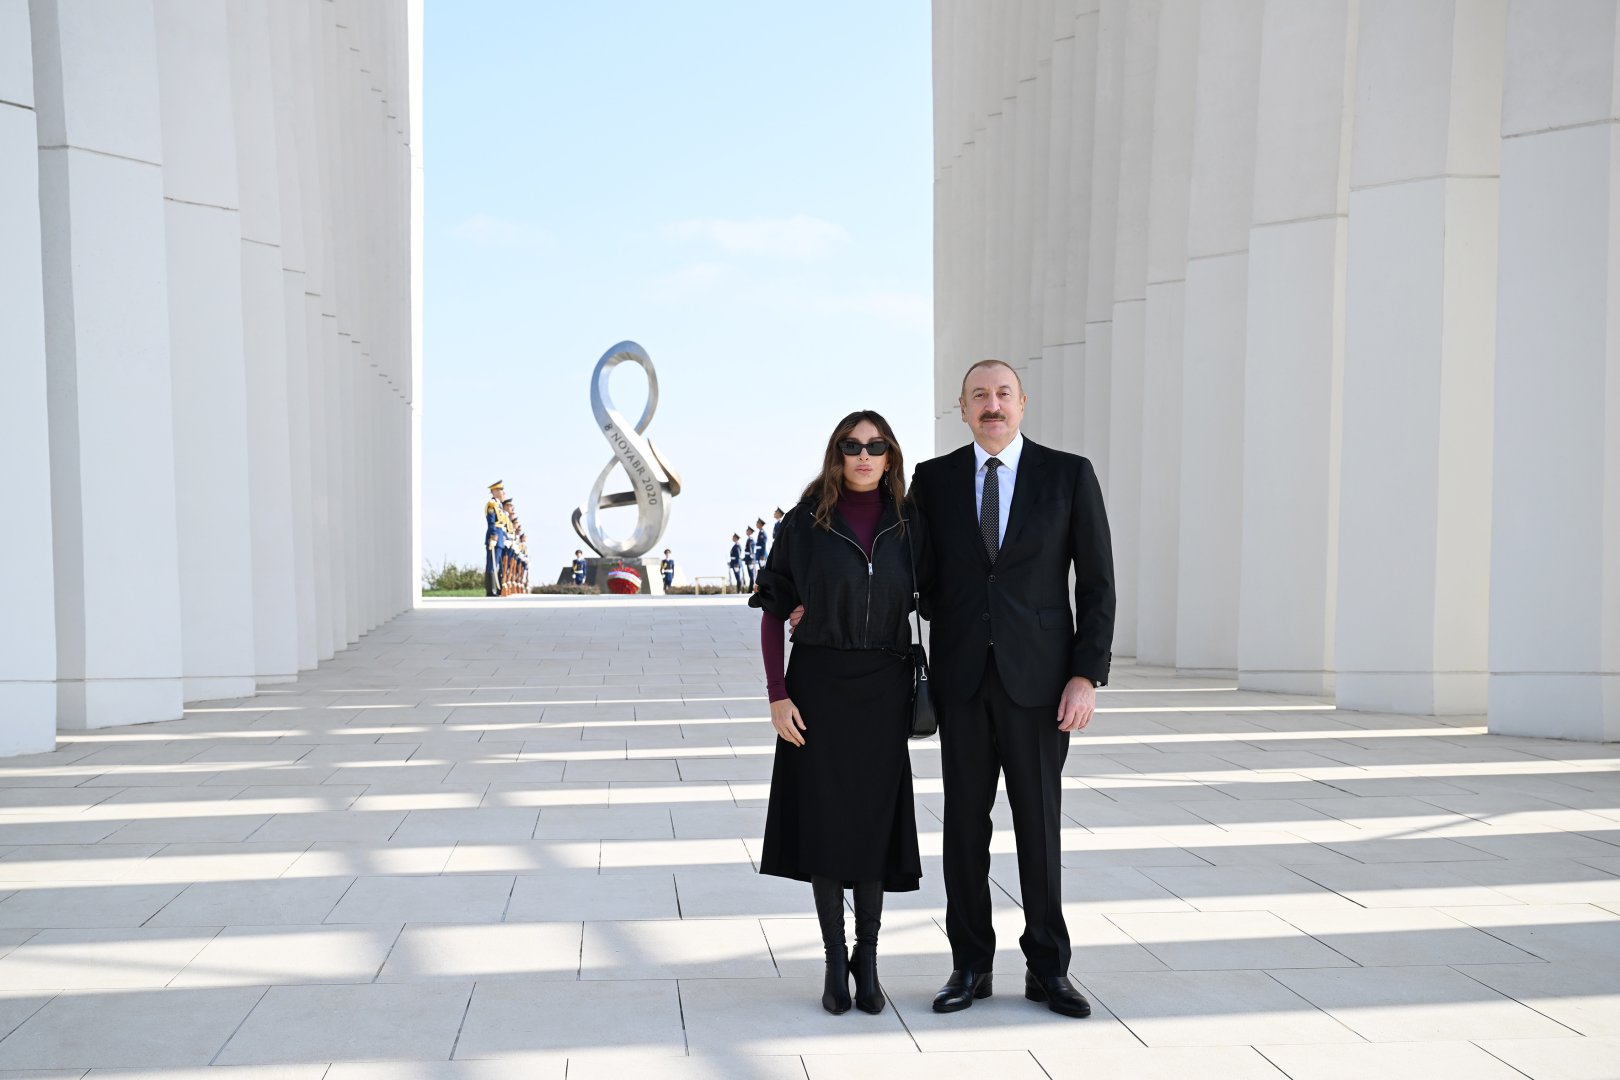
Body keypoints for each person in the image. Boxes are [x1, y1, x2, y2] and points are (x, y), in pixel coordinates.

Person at [910, 359, 1114, 1019]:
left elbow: (1099, 584)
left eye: (1003, 394)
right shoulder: (932, 480)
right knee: (963, 830)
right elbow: (907, 572)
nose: (992, 405)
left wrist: (1086, 673)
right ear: (962, 409)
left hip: (1042, 684)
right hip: (963, 682)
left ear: (1022, 403)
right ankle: (969, 965)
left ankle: (1048, 969)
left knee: (1039, 828)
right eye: (979, 396)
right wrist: (814, 601)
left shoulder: (1069, 474)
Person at [751, 410, 929, 1018]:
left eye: (875, 446)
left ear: (890, 457)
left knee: (874, 825)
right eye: (852, 446)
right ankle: (833, 962)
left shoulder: (911, 525)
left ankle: (868, 960)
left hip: (884, 687)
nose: (863, 455)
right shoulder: (804, 524)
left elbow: (943, 597)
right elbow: (774, 610)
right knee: (826, 824)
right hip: (819, 685)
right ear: (836, 454)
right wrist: (777, 693)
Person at [484, 481, 508, 597]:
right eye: (501, 490)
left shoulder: (499, 505)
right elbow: (491, 521)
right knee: (491, 563)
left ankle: (497, 589)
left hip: (500, 535)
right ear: (494, 492)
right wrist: (493, 535)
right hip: (494, 535)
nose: (503, 493)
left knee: (497, 563)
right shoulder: (491, 504)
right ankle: (490, 590)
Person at [743, 526, 758, 590]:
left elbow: (751, 550)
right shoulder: (748, 539)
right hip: (748, 559)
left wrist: (751, 559)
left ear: (750, 532)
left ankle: (751, 588)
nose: (746, 532)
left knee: (751, 575)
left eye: (748, 531)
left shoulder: (751, 540)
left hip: (750, 559)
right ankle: (751, 588)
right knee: (750, 575)